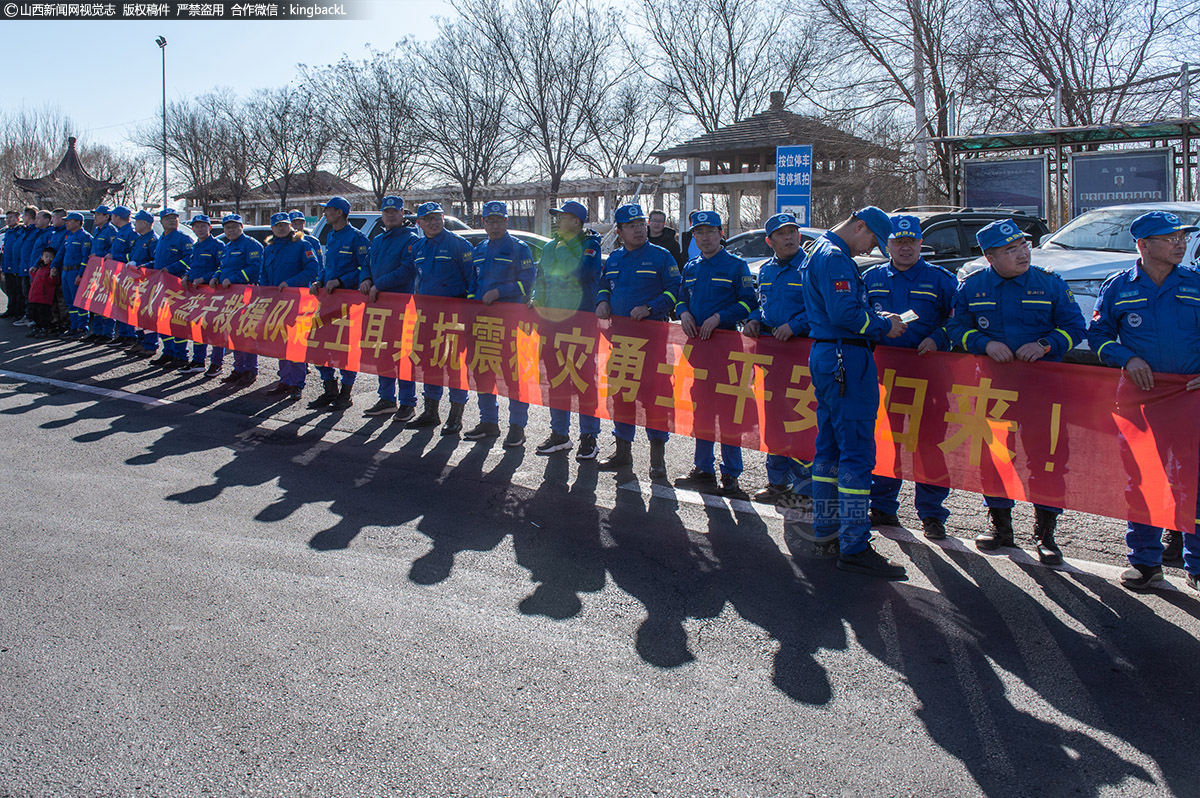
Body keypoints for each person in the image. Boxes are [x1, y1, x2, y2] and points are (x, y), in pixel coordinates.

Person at [947, 218, 1086, 565]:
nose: (1022, 253)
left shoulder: (1049, 283)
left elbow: (1075, 327)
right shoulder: (972, 287)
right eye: (1011, 250)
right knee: (995, 456)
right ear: (990, 257)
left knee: (1047, 458)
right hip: (994, 388)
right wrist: (983, 343)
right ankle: (1000, 526)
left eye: (1023, 245)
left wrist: (1045, 344)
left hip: (1042, 389)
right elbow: (955, 327)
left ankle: (1046, 533)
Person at [1087, 210, 1200, 594]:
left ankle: (1197, 566)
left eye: (1182, 238)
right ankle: (1145, 562)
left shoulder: (1196, 283)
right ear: (1144, 245)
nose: (1180, 244)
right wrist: (1127, 358)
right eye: (1171, 239)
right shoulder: (1118, 287)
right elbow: (1099, 336)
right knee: (1143, 480)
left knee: (1193, 482)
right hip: (1140, 401)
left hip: (1190, 400)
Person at [801, 207, 908, 579]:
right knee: (857, 451)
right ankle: (854, 544)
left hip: (829, 354)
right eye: (871, 242)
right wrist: (884, 325)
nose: (868, 250)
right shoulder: (835, 257)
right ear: (859, 226)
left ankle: (827, 531)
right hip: (847, 355)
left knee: (829, 448)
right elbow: (846, 314)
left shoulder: (819, 250)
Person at [862, 214, 957, 540]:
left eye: (911, 241)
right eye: (898, 242)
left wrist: (939, 339)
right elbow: (859, 315)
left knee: (929, 444)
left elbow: (958, 321)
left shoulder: (941, 280)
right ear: (887, 244)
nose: (905, 247)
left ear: (920, 243)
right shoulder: (871, 277)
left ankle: (932, 514)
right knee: (886, 440)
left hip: (927, 375)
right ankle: (883, 506)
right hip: (881, 375)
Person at [672, 209, 757, 498]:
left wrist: (719, 317)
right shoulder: (691, 267)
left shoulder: (736, 266)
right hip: (698, 349)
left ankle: (731, 473)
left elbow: (748, 303)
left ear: (721, 233)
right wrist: (682, 312)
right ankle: (703, 469)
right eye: (699, 232)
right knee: (702, 409)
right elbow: (682, 297)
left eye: (710, 231)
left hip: (727, 350)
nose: (705, 237)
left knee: (729, 411)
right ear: (693, 236)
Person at [595, 202, 682, 479]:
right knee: (621, 394)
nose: (638, 229)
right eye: (631, 226)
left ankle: (657, 459)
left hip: (652, 342)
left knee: (656, 397)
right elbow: (603, 285)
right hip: (620, 342)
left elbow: (675, 291)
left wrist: (651, 307)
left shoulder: (661, 256)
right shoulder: (615, 259)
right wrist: (602, 301)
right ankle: (623, 452)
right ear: (619, 231)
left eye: (641, 224)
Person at [743, 212, 812, 507]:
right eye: (782, 234)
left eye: (792, 232)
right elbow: (762, 304)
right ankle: (777, 482)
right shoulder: (767, 270)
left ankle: (805, 487)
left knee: (801, 418)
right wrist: (753, 319)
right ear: (770, 241)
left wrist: (795, 325)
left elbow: (824, 309)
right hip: (771, 352)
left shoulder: (812, 266)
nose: (789, 238)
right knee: (773, 417)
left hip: (801, 352)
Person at [531, 199, 603, 460]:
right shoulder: (549, 247)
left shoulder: (590, 246)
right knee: (556, 378)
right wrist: (537, 297)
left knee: (583, 380)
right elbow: (541, 278)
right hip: (553, 323)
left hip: (580, 324)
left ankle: (589, 436)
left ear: (576, 221)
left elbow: (580, 272)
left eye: (562, 217)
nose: (557, 221)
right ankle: (560, 434)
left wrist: (562, 249)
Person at [463, 201, 536, 447]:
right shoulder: (480, 249)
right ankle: (488, 422)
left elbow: (528, 284)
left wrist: (499, 292)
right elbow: (474, 284)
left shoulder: (519, 248)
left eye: (499, 220)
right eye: (489, 221)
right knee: (482, 371)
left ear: (507, 222)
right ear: (482, 223)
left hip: (510, 324)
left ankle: (517, 426)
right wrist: (472, 306)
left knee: (513, 374)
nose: (494, 225)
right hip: (482, 323)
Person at [407, 201, 477, 435]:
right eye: (428, 219)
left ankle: (455, 416)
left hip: (454, 317)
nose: (434, 222)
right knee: (429, 363)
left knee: (454, 365)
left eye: (437, 217)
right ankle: (430, 412)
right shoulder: (418, 247)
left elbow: (472, 282)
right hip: (426, 317)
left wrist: (468, 315)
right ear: (419, 223)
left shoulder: (459, 245)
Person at [358, 196, 419, 421]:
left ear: (403, 214)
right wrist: (365, 278)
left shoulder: (410, 239)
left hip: (401, 307)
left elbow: (408, 270)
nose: (391, 215)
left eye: (395, 211)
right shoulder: (379, 239)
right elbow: (366, 263)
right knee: (381, 352)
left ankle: (407, 402)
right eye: (387, 212)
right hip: (378, 307)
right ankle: (386, 398)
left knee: (402, 354)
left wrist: (379, 284)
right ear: (382, 214)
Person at [306, 196, 369, 411]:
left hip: (347, 303)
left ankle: (345, 393)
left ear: (339, 212)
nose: (325, 213)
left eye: (329, 210)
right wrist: (319, 280)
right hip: (327, 301)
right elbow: (327, 265)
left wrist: (341, 281)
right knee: (317, 346)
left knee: (344, 349)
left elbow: (364, 269)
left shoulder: (356, 237)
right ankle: (329, 389)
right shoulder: (331, 236)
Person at [261, 211, 319, 400]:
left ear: (290, 226)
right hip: (276, 305)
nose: (281, 228)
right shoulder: (268, 249)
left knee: (296, 343)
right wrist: (264, 294)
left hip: (297, 303)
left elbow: (312, 270)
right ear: (272, 228)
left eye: (284, 225)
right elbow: (264, 275)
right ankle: (285, 380)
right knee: (281, 343)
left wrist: (290, 283)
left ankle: (297, 383)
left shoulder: (302, 245)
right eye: (277, 226)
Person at [211, 213, 264, 386]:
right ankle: (238, 368)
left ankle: (250, 370)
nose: (231, 230)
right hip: (229, 298)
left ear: (242, 227)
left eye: (234, 227)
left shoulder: (251, 245)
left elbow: (255, 268)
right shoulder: (227, 246)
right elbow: (222, 267)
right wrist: (216, 276)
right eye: (227, 228)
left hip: (246, 294)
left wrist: (233, 279)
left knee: (246, 333)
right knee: (233, 333)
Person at [180, 214, 226, 376]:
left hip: (212, 293)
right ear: (192, 228)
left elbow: (222, 268)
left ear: (210, 228)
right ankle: (198, 361)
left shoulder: (217, 245)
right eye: (197, 226)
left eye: (203, 226)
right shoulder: (195, 246)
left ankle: (216, 364)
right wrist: (186, 276)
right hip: (196, 294)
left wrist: (205, 278)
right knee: (197, 327)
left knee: (214, 329)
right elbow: (192, 266)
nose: (200, 229)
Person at [148, 209, 194, 368]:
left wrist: (172, 268)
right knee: (162, 319)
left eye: (175, 218)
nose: (172, 221)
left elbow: (189, 259)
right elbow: (157, 262)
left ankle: (181, 355)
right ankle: (168, 351)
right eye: (168, 218)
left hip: (176, 285)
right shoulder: (162, 238)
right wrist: (145, 267)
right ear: (161, 221)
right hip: (161, 285)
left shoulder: (183, 238)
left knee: (177, 320)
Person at [124, 210, 160, 358]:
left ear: (144, 223)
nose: (134, 224)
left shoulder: (153, 240)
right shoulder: (139, 239)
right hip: (135, 282)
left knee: (147, 314)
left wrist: (139, 265)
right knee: (136, 314)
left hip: (147, 282)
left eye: (137, 221)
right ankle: (141, 340)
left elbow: (155, 262)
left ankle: (151, 344)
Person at [103, 206, 139, 346]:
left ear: (118, 217)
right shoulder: (120, 232)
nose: (111, 218)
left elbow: (133, 255)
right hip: (118, 274)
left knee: (126, 305)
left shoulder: (131, 233)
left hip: (127, 274)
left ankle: (130, 335)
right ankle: (123, 334)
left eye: (113, 216)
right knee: (119, 304)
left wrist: (115, 256)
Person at [83, 205, 118, 342]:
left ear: (106, 217)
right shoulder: (98, 230)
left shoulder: (110, 231)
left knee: (106, 303)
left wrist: (98, 255)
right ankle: (97, 331)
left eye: (98, 215)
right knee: (96, 302)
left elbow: (112, 252)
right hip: (96, 272)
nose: (95, 217)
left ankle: (107, 332)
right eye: (95, 214)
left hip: (107, 272)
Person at [57, 211, 93, 337]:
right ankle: (73, 326)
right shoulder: (69, 236)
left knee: (79, 302)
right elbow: (61, 253)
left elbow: (86, 258)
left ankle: (82, 328)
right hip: (66, 272)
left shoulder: (85, 237)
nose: (66, 223)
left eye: (69, 221)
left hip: (75, 272)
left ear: (78, 223)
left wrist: (81, 274)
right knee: (70, 301)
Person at [15, 209, 52, 328]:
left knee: (37, 296)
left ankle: (37, 320)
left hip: (40, 269)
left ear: (47, 220)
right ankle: (32, 317)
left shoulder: (49, 233)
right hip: (30, 267)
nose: (36, 220)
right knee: (29, 294)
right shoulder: (38, 232)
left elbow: (47, 253)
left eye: (38, 218)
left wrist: (37, 265)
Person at [26, 246, 59, 338]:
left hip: (44, 297)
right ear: (42, 257)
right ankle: (37, 327)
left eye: (50, 257)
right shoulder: (39, 268)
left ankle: (44, 328)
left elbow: (53, 282)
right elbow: (35, 279)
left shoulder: (51, 269)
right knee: (34, 313)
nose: (48, 259)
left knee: (43, 314)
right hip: (34, 296)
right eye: (46, 256)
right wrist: (31, 272)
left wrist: (53, 275)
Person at [2, 209, 27, 320]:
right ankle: (10, 310)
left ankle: (18, 312)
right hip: (7, 265)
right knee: (10, 290)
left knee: (18, 291)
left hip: (16, 266)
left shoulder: (21, 231)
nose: (8, 220)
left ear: (18, 219)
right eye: (7, 218)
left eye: (11, 218)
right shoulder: (7, 232)